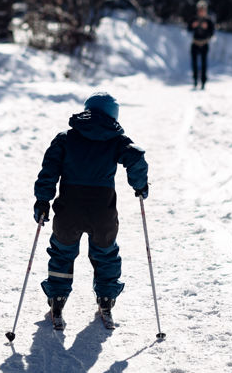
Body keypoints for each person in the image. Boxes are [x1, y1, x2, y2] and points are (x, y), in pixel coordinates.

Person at [33, 92, 149, 330]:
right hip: (102, 211)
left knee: (62, 253)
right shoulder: (116, 139)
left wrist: (43, 201)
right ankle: (106, 300)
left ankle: (57, 300)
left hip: (69, 209)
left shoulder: (66, 138)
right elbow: (135, 157)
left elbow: (49, 171)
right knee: (105, 254)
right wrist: (139, 185)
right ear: (113, 115)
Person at [188, 0, 216, 89]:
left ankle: (203, 82)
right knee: (194, 63)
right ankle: (195, 80)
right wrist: (193, 26)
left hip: (204, 44)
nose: (201, 11)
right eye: (200, 10)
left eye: (203, 10)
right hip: (195, 43)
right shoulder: (194, 19)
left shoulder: (208, 20)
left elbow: (212, 33)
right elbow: (188, 29)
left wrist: (207, 29)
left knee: (204, 64)